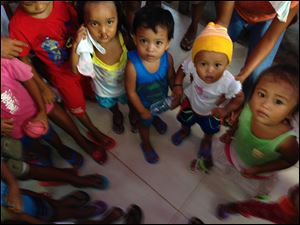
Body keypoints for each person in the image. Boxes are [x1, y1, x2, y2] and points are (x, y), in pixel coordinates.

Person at [8, 1, 116, 159]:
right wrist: (43, 88)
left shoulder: (62, 4)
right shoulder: (18, 25)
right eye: (29, 3)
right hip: (61, 74)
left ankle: (89, 96)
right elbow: (25, 61)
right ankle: (92, 130)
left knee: (90, 89)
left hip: (84, 61)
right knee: (76, 106)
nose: (38, 7)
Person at [172, 22, 244, 173]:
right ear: (195, 61)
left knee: (210, 130)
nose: (209, 71)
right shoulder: (191, 64)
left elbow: (239, 98)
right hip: (191, 104)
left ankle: (207, 140)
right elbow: (182, 69)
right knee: (185, 120)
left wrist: (226, 110)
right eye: (203, 64)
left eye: (218, 65)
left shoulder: (229, 82)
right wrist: (178, 85)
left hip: (211, 113)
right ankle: (185, 130)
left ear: (227, 65)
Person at [219, 65, 299, 198]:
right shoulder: (249, 108)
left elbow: (289, 161)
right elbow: (240, 120)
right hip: (238, 150)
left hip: (259, 170)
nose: (265, 104)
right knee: (232, 168)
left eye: (278, 101)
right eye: (261, 94)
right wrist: (230, 133)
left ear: (291, 113)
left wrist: (260, 169)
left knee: (253, 189)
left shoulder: (286, 141)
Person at [71, 1, 138, 135]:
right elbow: (74, 70)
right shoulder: (87, 47)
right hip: (104, 92)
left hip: (127, 87)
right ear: (84, 23)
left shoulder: (124, 38)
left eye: (109, 22)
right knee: (112, 106)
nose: (103, 31)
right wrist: (75, 45)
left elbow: (138, 58)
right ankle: (117, 114)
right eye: (94, 24)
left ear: (118, 18)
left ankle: (133, 113)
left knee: (132, 102)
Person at [216, 1, 299, 98]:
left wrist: (243, 75)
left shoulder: (292, 3)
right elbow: (222, 23)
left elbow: (270, 39)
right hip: (235, 8)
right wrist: (219, 40)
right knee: (212, 53)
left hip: (270, 19)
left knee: (256, 78)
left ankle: (238, 107)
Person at [125, 6, 176, 164]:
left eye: (158, 42)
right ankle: (145, 143)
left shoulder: (168, 59)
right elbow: (131, 92)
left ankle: (155, 118)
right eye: (144, 41)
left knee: (156, 113)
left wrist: (177, 92)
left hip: (159, 100)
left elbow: (171, 77)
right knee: (144, 125)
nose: (150, 48)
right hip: (143, 105)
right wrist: (142, 110)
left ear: (167, 43)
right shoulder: (133, 67)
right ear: (135, 39)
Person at [216, 184, 299, 224]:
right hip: (286, 212)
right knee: (258, 209)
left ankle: (238, 208)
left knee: (259, 209)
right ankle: (235, 207)